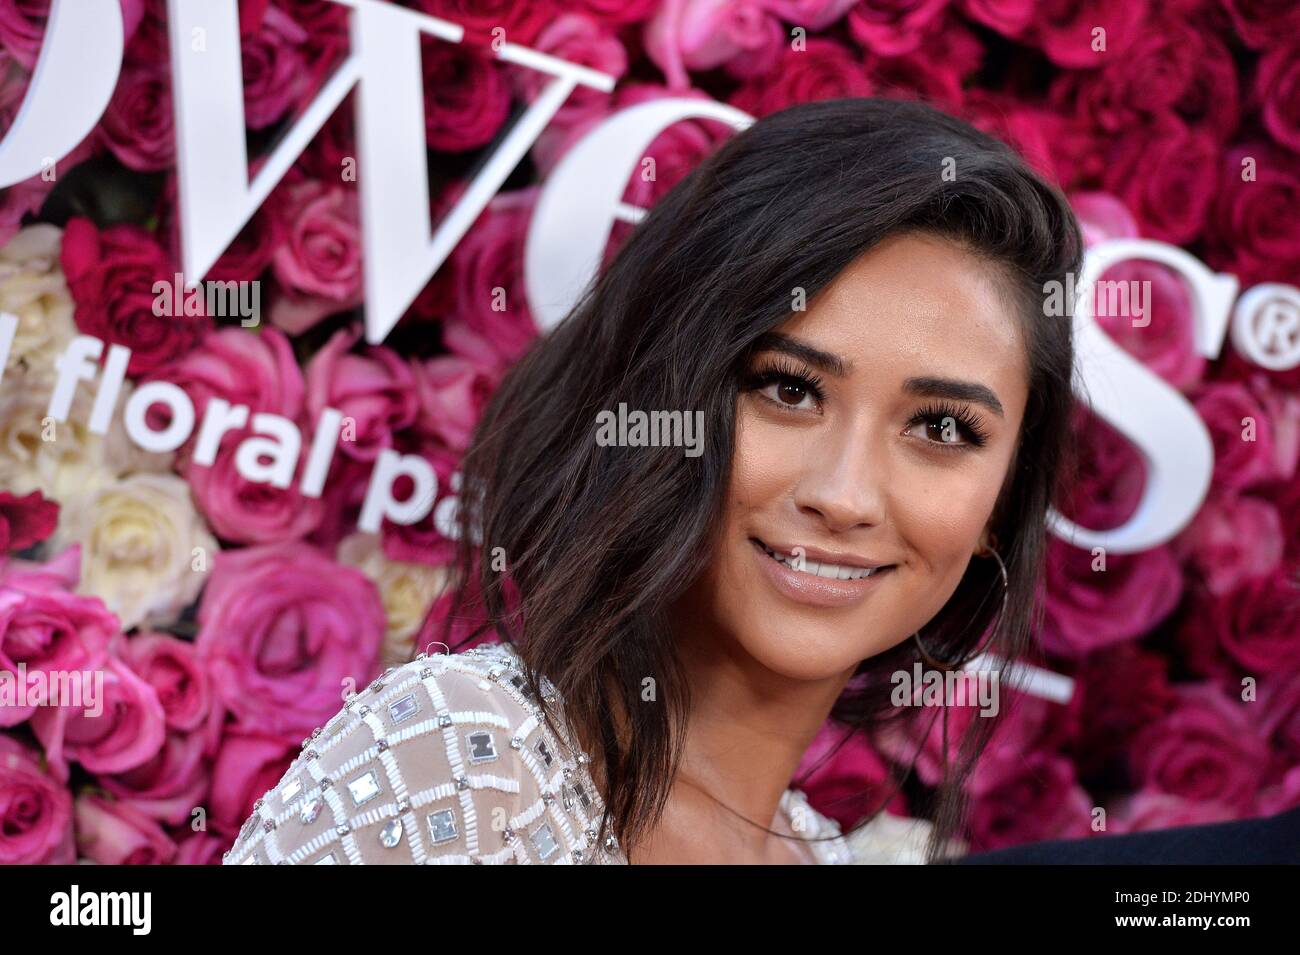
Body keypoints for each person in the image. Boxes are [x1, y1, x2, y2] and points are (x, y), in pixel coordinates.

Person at [223, 95, 1083, 865]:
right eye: (789, 388)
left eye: (941, 428)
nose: (845, 493)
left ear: (1001, 509)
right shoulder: (464, 766)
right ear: (667, 390)